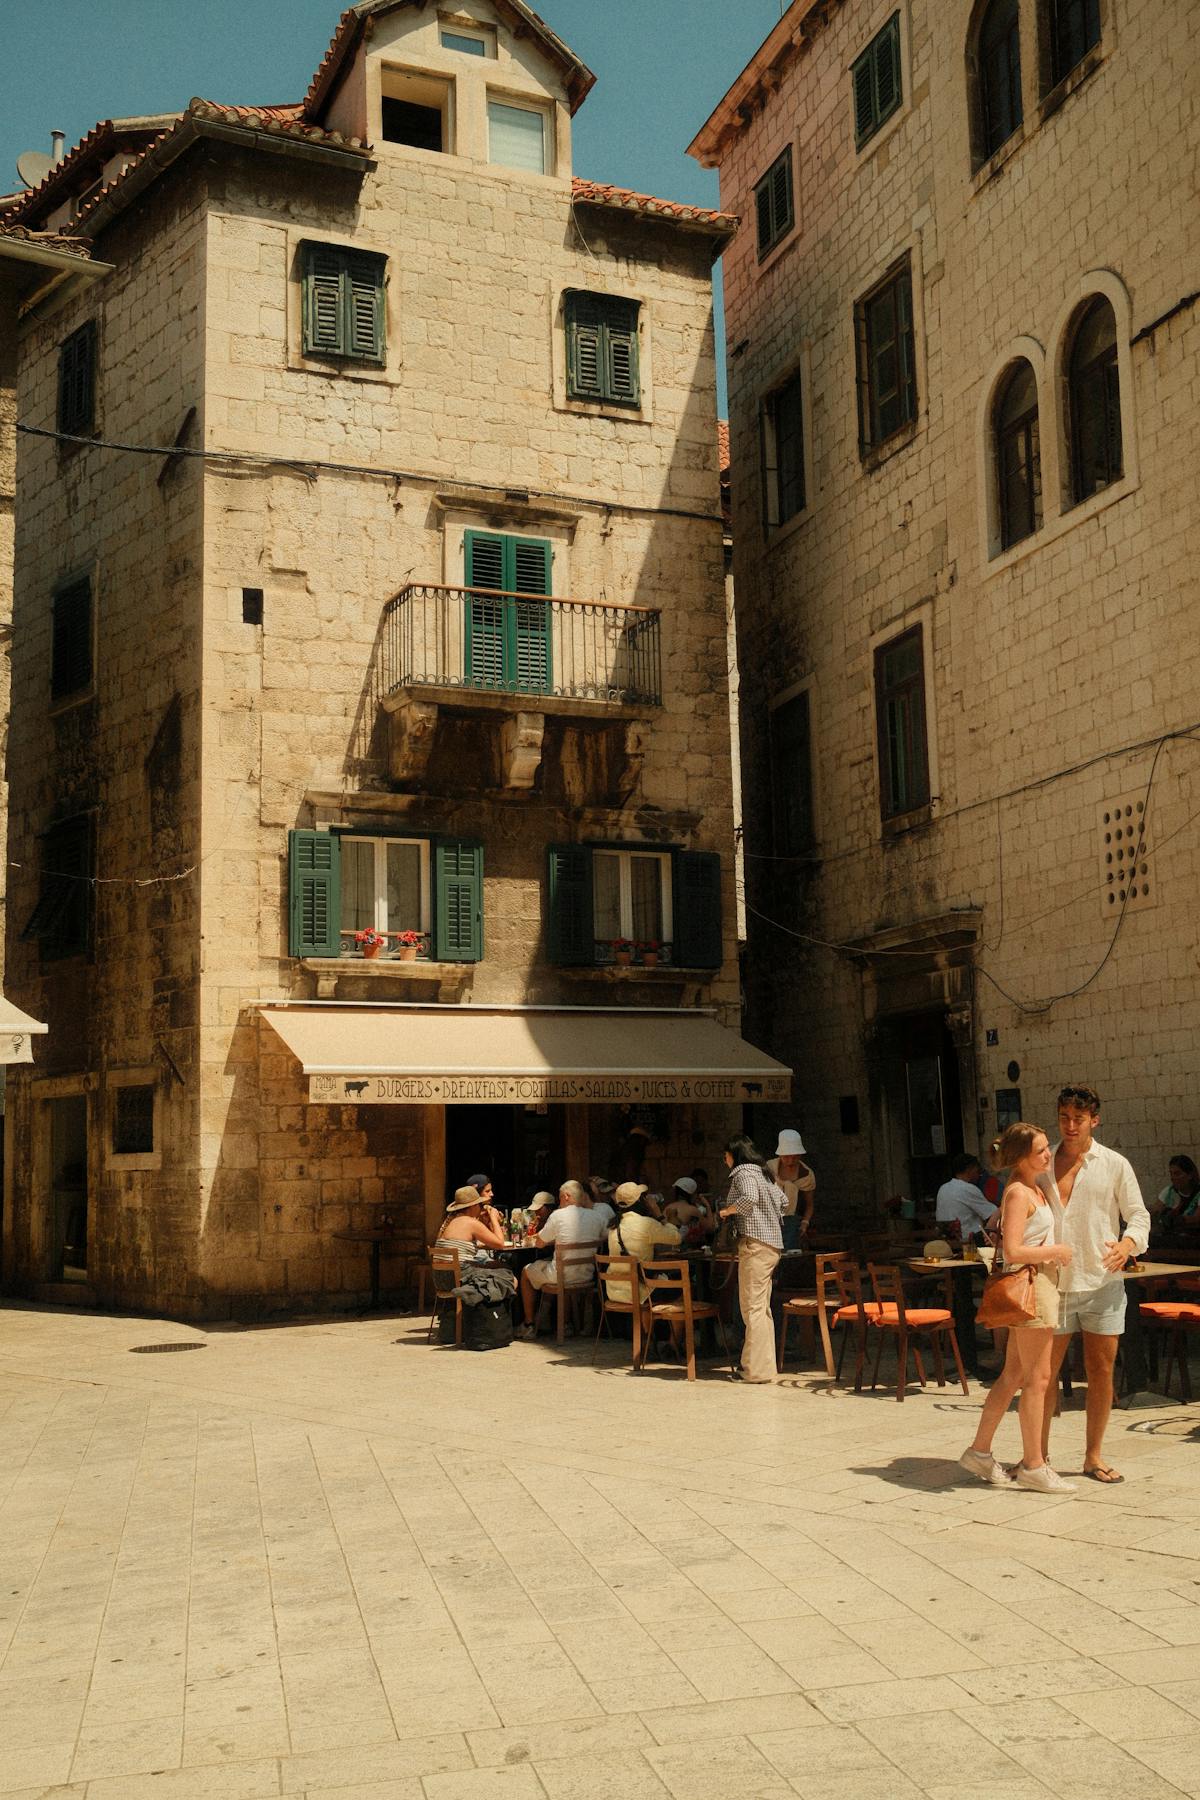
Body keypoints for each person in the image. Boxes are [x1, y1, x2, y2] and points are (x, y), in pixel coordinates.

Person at [1041, 1084, 1151, 1484]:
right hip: (1052, 1283)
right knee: (1043, 1375)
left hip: (1102, 1281)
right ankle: (1038, 1457)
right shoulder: (1042, 1162)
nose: (1070, 1126)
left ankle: (1093, 1456)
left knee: (1100, 1371)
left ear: (1094, 1120)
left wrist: (1127, 1244)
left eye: (1079, 1119)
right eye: (1064, 1118)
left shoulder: (1115, 1164)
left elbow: (1138, 1215)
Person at [958, 1124, 1075, 1491]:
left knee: (1013, 1376)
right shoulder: (1019, 1193)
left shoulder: (1031, 1188)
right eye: (1040, 1150)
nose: (1048, 1154)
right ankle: (1034, 1465)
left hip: (1040, 1284)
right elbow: (1012, 1250)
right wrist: (1056, 1251)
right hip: (1033, 1286)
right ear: (1022, 1156)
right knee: (1038, 1379)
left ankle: (979, 1451)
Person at [718, 1134, 785, 1384]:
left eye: (726, 1156)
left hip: (755, 1245)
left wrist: (727, 1211)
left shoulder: (743, 1173)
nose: (725, 1160)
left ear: (734, 1155)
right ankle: (763, 1368)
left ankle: (754, 1371)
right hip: (771, 1246)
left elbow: (748, 1199)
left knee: (752, 1309)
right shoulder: (764, 1173)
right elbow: (784, 1201)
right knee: (761, 1309)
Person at [516, 1180, 606, 1338]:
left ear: (566, 1196)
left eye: (560, 1198)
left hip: (561, 1276)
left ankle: (529, 1324)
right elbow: (605, 1237)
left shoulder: (558, 1215)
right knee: (556, 1267)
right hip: (586, 1275)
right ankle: (565, 1324)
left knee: (526, 1272)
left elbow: (539, 1243)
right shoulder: (597, 1216)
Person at [605, 1181, 681, 1304]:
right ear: (640, 1201)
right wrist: (659, 1214)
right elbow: (676, 1238)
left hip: (615, 1292)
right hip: (640, 1293)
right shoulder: (646, 1224)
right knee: (681, 1280)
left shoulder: (613, 1226)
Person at [764, 1129, 816, 1251]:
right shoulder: (769, 1167)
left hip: (791, 1222)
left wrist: (804, 1224)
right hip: (768, 1219)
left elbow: (809, 1205)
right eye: (786, 1157)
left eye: (795, 1157)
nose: (791, 1161)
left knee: (788, 1253)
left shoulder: (806, 1175)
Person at [936, 1154, 999, 1243]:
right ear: (970, 1169)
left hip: (946, 1242)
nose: (979, 1175)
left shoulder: (943, 1188)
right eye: (978, 1171)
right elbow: (993, 1213)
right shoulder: (968, 1188)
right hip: (969, 1241)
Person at [434, 1187, 508, 1261]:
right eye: (480, 1205)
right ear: (474, 1206)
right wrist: (494, 1218)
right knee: (503, 1267)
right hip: (461, 1267)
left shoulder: (452, 1221)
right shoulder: (472, 1223)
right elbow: (500, 1244)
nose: (481, 1209)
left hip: (442, 1267)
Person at [1150, 1155, 1200, 1226]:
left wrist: (1177, 1218)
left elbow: (1196, 1219)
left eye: (1177, 1174)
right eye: (1171, 1173)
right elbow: (1156, 1210)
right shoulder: (1169, 1191)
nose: (1173, 1177)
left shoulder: (1198, 1194)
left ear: (1190, 1175)